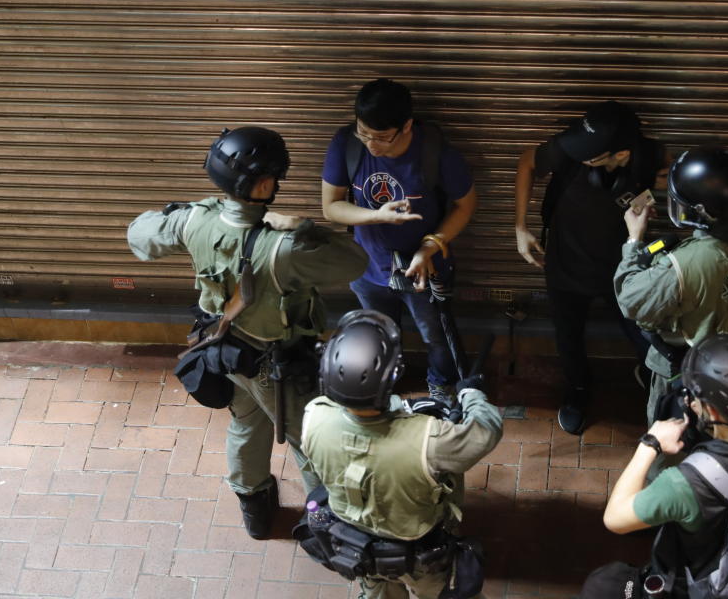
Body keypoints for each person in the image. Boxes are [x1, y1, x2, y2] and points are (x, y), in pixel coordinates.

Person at [127, 126, 368, 539]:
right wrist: (303, 226)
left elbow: (140, 235)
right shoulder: (284, 248)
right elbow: (354, 262)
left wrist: (202, 210)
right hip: (277, 364)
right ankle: (329, 525)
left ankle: (255, 509)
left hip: (223, 352)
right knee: (309, 443)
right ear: (260, 184)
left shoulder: (192, 221)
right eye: (273, 177)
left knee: (247, 423)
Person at [300, 309, 503, 599]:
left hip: (354, 545)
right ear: (393, 375)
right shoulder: (428, 440)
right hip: (420, 554)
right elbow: (486, 430)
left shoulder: (314, 418)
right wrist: (471, 395)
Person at [593, 336, 728, 598]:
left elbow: (614, 519)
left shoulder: (686, 483)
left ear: (713, 413)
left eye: (692, 394)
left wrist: (650, 443)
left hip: (704, 581)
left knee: (600, 586)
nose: (688, 399)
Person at [515, 101, 667, 435]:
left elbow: (660, 179)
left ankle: (651, 375)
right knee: (568, 336)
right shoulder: (569, 149)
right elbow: (527, 161)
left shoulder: (652, 155)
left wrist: (646, 203)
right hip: (565, 262)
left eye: (592, 157)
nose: (581, 158)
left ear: (622, 154)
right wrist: (520, 227)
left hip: (623, 265)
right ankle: (577, 391)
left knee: (644, 332)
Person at [614, 145, 728, 426]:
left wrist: (634, 241)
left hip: (682, 366)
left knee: (670, 431)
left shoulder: (679, 265)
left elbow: (632, 302)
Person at [321, 78, 476, 404]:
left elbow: (466, 204)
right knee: (378, 333)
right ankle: (385, 382)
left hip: (424, 268)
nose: (371, 144)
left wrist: (430, 246)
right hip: (367, 266)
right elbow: (331, 206)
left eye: (382, 137)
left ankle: (440, 384)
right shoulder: (346, 144)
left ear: (406, 126)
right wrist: (376, 216)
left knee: (435, 335)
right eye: (364, 133)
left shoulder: (436, 154)